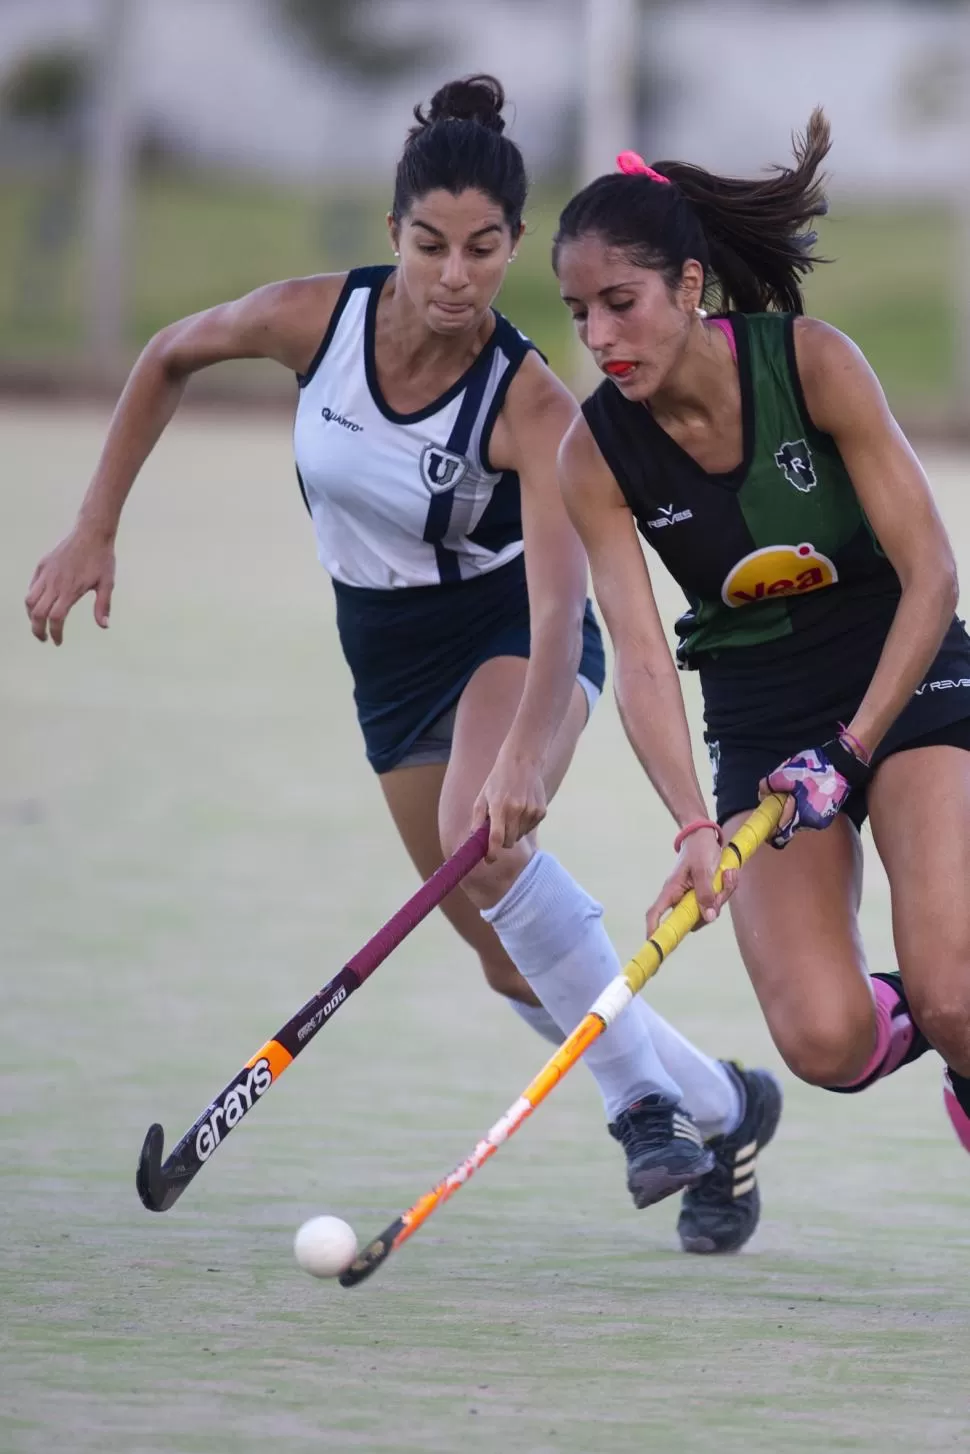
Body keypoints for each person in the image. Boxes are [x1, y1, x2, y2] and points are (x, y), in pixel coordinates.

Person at [24, 75, 782, 1249]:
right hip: (383, 660)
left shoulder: (529, 402)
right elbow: (170, 354)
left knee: (488, 852)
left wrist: (532, 743)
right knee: (505, 961)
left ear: (513, 248)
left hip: (507, 637)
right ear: (393, 236)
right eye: (429, 244)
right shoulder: (312, 320)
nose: (453, 275)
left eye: (483, 249)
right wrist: (95, 521)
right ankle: (727, 1104)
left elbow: (556, 601)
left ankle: (641, 1110)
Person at [554, 110, 970, 1159]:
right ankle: (934, 993)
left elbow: (932, 574)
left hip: (904, 678)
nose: (599, 337)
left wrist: (852, 746)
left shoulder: (814, 365)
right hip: (760, 713)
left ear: (688, 289)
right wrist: (694, 824)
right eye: (579, 313)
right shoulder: (594, 453)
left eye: (620, 304)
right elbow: (643, 657)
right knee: (823, 1041)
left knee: (957, 991)